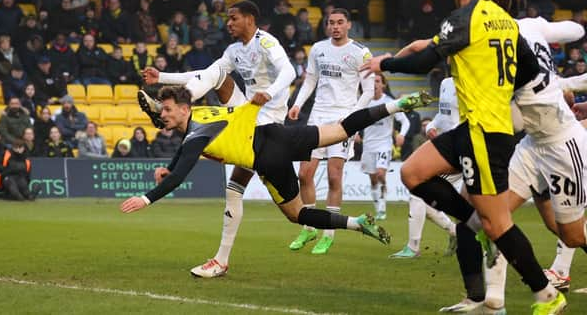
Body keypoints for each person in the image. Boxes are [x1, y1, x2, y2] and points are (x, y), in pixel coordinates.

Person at [360, 0, 565, 313]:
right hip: (476, 127)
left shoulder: (464, 18)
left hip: (487, 132)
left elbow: (425, 61)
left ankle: (547, 294)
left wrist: (385, 62)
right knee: (412, 172)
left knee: (498, 223)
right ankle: (473, 228)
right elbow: (529, 71)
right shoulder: (506, 21)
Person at [122, 87, 431, 261]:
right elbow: (184, 144)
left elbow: (182, 171)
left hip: (267, 158)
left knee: (298, 215)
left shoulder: (197, 134)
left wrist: (146, 199)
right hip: (276, 135)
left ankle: (356, 223)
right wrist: (170, 165)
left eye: (166, 109)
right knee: (340, 130)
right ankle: (397, 105)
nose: (162, 115)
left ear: (184, 109)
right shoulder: (202, 113)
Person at [439, 0, 587, 312]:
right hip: (532, 145)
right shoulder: (530, 26)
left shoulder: (496, 34)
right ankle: (493, 300)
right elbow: (575, 31)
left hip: (563, 142)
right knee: (493, 217)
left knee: (573, 234)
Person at [143, 0, 296, 277]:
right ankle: (172, 104)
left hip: (266, 124)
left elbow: (290, 72)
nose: (228, 23)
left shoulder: (267, 43)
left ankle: (223, 260)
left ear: (250, 19)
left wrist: (270, 93)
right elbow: (206, 74)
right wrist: (163, 76)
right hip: (245, 113)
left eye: (233, 18)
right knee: (218, 72)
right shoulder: (234, 50)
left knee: (252, 196)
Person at [286, 8, 375, 254]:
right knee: (304, 174)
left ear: (348, 25)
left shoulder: (360, 52)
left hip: (343, 118)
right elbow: (310, 80)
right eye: (331, 23)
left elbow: (368, 91)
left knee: (335, 176)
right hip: (318, 116)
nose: (335, 26)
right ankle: (309, 227)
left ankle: (329, 233)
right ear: (327, 26)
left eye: (339, 22)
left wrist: (353, 118)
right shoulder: (318, 49)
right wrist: (297, 104)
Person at [390, 77, 459, 260]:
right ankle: (455, 232)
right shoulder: (445, 82)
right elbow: (443, 115)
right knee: (425, 199)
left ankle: (413, 248)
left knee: (418, 192)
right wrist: (432, 126)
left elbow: (469, 119)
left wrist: (449, 139)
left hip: (458, 149)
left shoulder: (471, 82)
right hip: (442, 149)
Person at [360, 74, 410, 221]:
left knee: (381, 174)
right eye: (372, 81)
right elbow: (354, 119)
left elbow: (405, 122)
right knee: (373, 179)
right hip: (368, 145)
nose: (374, 84)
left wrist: (402, 134)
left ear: (383, 85)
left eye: (377, 81)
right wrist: (354, 133)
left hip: (384, 144)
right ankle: (378, 206)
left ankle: (382, 208)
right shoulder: (364, 102)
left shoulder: (389, 102)